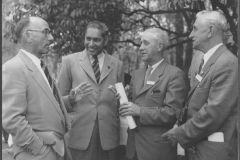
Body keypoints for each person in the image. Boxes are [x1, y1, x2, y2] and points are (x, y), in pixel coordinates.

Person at [162, 10, 238, 160]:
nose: (190, 35)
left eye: (195, 29)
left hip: (212, 153)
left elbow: (213, 112)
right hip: (197, 149)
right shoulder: (203, 60)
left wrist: (180, 133)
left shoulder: (227, 63)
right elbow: (193, 102)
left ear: (210, 30)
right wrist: (180, 123)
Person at [2, 16, 70, 160]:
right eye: (46, 32)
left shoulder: (41, 67)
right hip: (36, 155)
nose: (51, 38)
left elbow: (49, 105)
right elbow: (12, 119)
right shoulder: (14, 68)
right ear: (28, 35)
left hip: (57, 150)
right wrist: (40, 150)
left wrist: (71, 100)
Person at [57, 20, 124, 160]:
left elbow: (121, 103)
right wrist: (70, 99)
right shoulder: (69, 62)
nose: (91, 44)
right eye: (88, 39)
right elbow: (56, 102)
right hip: (79, 136)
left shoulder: (117, 65)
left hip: (109, 138)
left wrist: (120, 101)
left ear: (105, 40)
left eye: (96, 40)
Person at [119, 28, 188, 160]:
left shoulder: (174, 74)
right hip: (132, 148)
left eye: (146, 43)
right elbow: (132, 105)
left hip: (156, 150)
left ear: (160, 46)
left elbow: (173, 113)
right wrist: (122, 99)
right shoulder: (137, 74)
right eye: (140, 43)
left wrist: (140, 111)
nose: (140, 47)